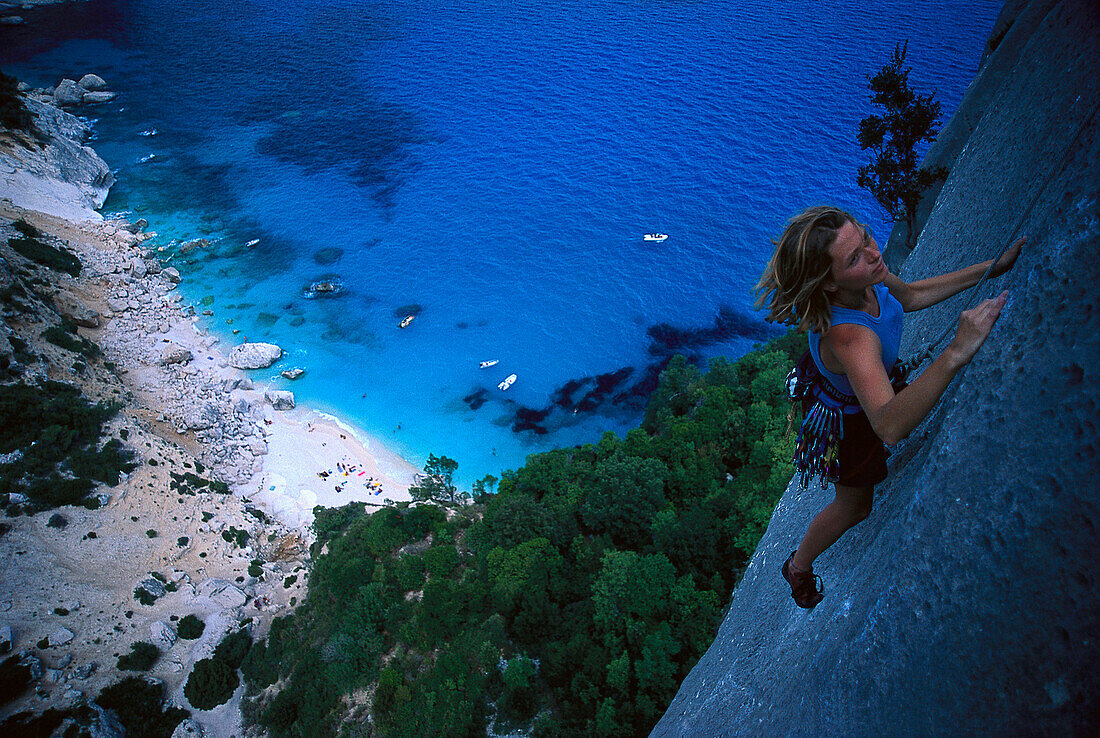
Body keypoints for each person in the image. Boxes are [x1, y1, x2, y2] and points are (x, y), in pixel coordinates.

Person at [754, 206, 1024, 608]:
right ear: (828, 284)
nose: (873, 252)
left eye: (864, 236)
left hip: (868, 387)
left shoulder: (869, 281)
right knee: (855, 507)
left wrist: (991, 267)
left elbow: (911, 295)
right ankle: (797, 565)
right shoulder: (851, 339)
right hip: (848, 419)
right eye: (854, 257)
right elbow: (889, 426)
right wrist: (956, 350)